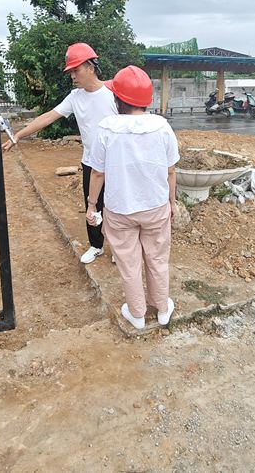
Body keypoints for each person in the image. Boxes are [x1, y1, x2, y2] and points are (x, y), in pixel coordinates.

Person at [2, 42, 117, 264]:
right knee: (92, 204)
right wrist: (18, 136)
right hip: (91, 163)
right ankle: (96, 246)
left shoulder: (113, 92)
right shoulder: (75, 97)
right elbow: (47, 117)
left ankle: (118, 249)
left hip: (117, 163)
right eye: (71, 71)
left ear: (91, 67)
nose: (73, 75)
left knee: (117, 207)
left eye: (76, 70)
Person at [86, 65, 179, 329]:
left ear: (117, 99)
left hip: (119, 210)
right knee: (158, 258)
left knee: (128, 263)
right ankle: (162, 309)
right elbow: (170, 171)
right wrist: (172, 204)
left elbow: (97, 174)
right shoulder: (162, 127)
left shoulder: (106, 128)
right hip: (156, 207)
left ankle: (137, 315)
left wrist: (92, 206)